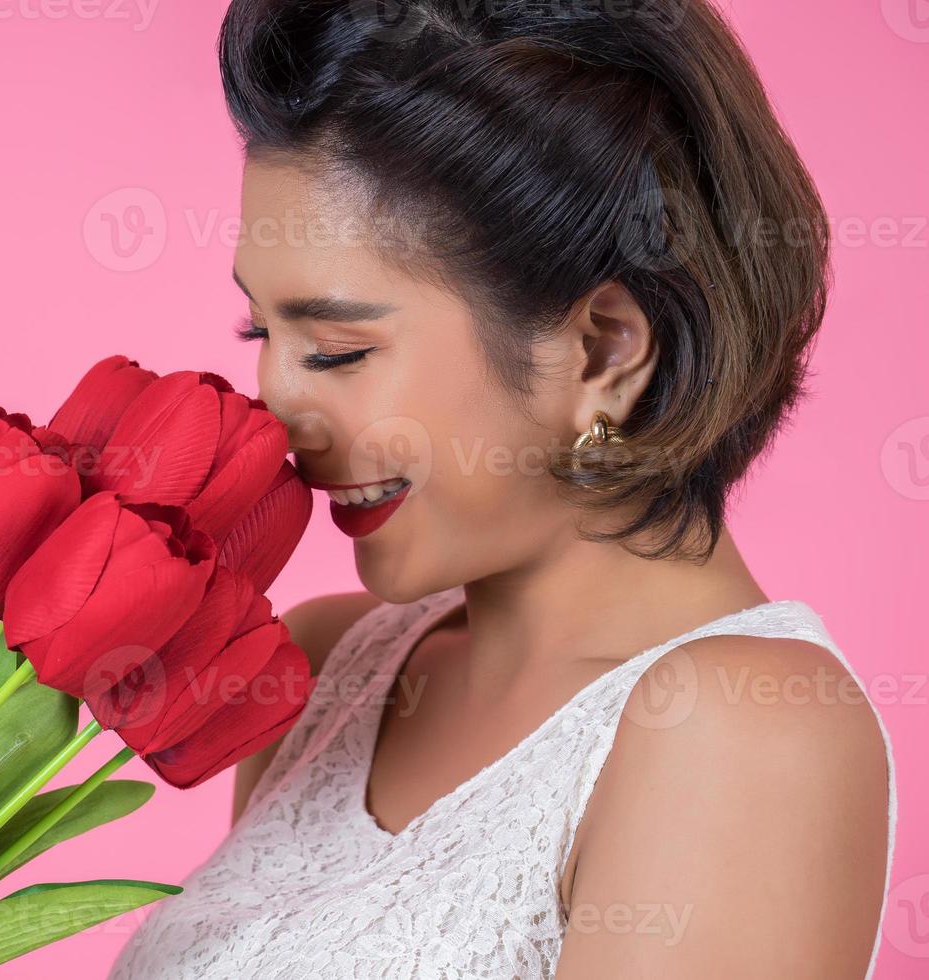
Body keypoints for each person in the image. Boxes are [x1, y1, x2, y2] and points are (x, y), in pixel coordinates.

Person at [107, 1, 896, 977]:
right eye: (259, 335)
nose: (276, 411)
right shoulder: (328, 663)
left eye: (338, 349)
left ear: (601, 348)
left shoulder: (748, 730)